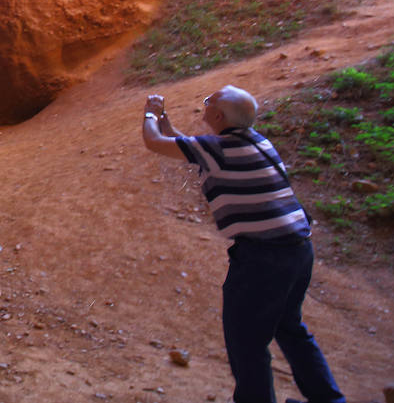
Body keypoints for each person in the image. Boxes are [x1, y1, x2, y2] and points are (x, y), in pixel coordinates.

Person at [141, 85, 346, 403]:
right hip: (298, 250)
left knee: (247, 340)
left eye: (208, 101)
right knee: (288, 326)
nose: (204, 104)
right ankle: (328, 399)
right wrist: (167, 122)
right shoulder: (255, 142)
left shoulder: (220, 149)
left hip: (262, 258)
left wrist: (151, 114)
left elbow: (154, 143)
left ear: (219, 115)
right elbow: (191, 150)